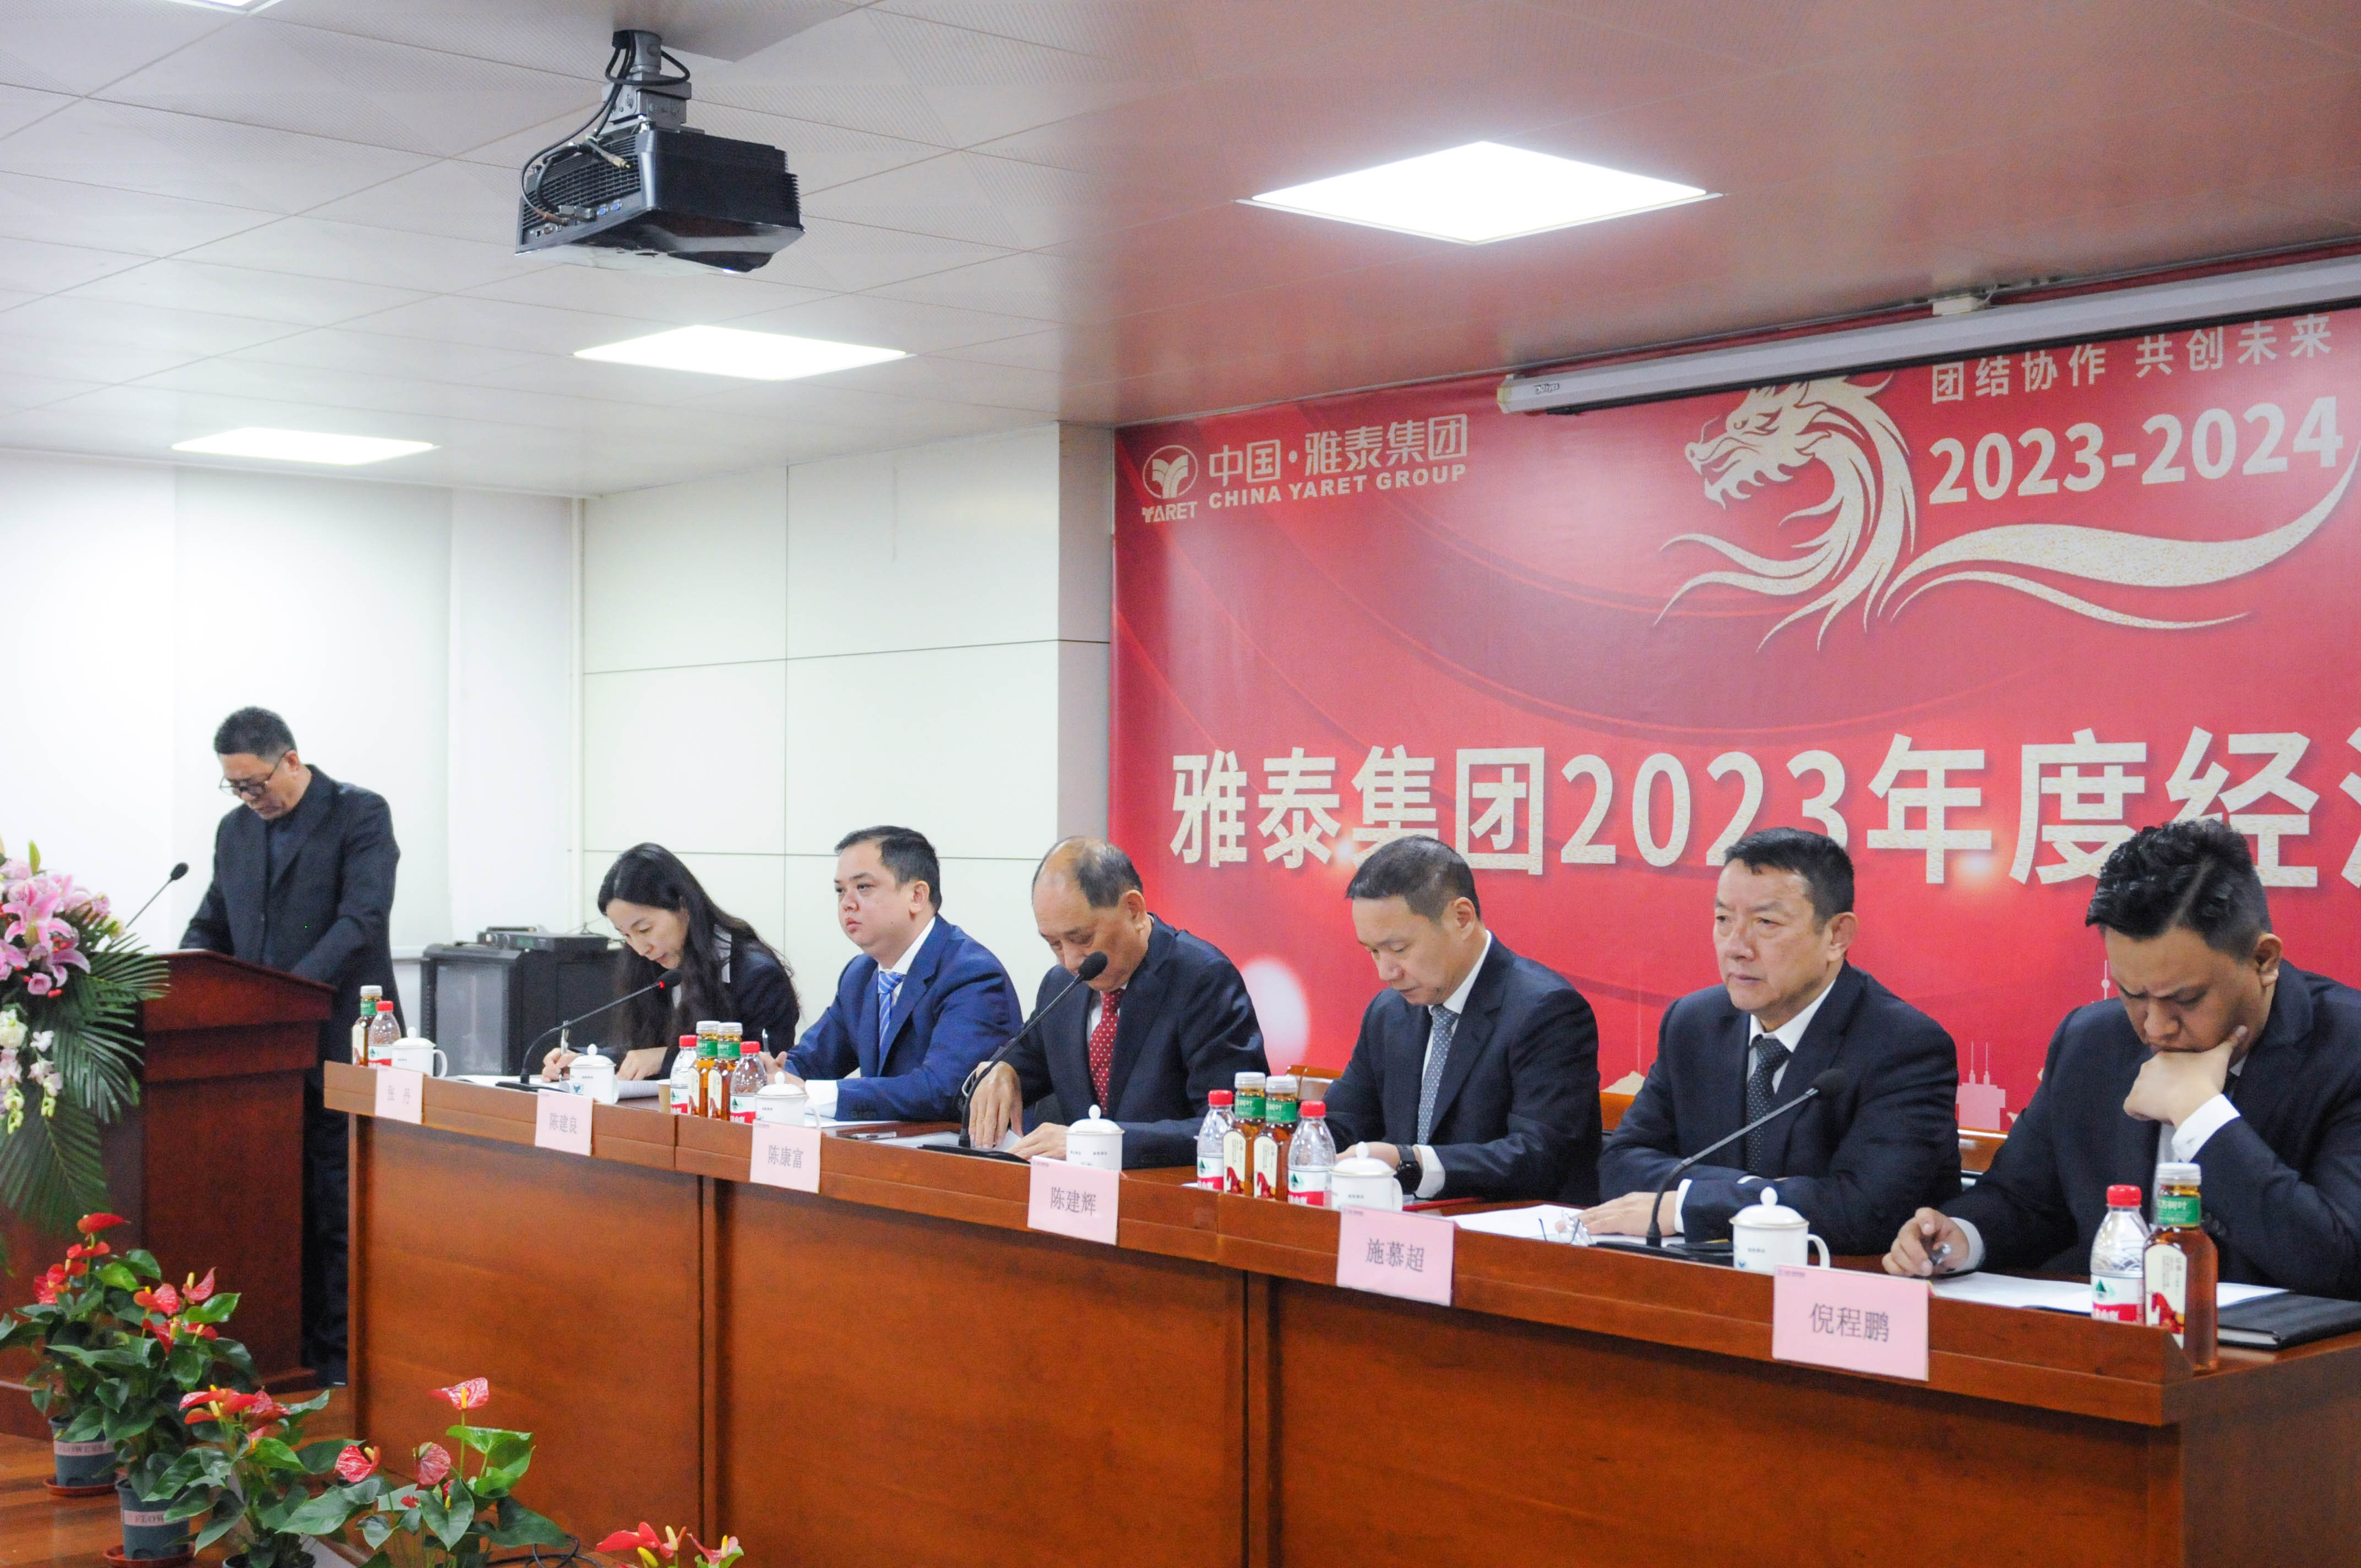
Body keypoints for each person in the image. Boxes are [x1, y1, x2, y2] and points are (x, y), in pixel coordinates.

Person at [1887, 819, 2361, 1299]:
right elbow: (2025, 1201)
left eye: (2185, 999)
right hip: (2114, 1333)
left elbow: (2343, 1262)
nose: (2155, 1027)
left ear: (2263, 961)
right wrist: (1962, 1238)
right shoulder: (2091, 1042)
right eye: (2133, 994)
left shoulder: (2348, 1049)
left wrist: (2201, 1115)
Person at [1587, 827, 1959, 1256]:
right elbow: (1622, 1163)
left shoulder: (1903, 1046)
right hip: (1702, 1274)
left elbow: (1865, 1210)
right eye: (1724, 920)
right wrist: (1759, 1193)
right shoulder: (1693, 1024)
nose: (1736, 947)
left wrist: (1689, 1204)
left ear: (1836, 936)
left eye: (1766, 923)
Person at [181, 706, 396, 1386]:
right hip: (258, 1062)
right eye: (236, 787)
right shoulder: (235, 831)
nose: (250, 798)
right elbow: (214, 921)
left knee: (340, 1205)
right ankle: (285, 1350)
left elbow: (361, 921)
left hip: (340, 1039)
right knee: (274, 1204)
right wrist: (180, 975)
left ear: (292, 761)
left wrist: (285, 996)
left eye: (256, 783)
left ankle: (344, 1358)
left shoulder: (359, 814)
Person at [1323, 836, 1601, 1204]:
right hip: (1403, 1226)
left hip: (1506, 1229)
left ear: (1461, 918)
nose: (1386, 972)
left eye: (1399, 949)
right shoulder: (1388, 1012)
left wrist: (1414, 1164)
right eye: (1373, 951)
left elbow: (1539, 1156)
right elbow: (1345, 1120)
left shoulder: (1546, 1010)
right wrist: (1293, 1141)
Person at [966, 838, 1266, 1166]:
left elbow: (1233, 1127)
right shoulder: (1061, 986)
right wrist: (1002, 1071)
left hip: (1168, 1190)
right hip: (1074, 1194)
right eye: (1054, 944)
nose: (1070, 960)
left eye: (1082, 939)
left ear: (1133, 910)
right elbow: (1021, 1064)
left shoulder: (1202, 980)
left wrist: (1096, 1144)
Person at [779, 825, 1021, 1121]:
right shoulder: (860, 975)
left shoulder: (971, 974)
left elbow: (943, 1090)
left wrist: (812, 1094)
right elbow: (812, 1061)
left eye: (863, 887)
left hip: (952, 1147)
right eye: (840, 890)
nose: (847, 903)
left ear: (917, 896)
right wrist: (774, 1078)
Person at [539, 844, 799, 1082]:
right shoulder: (650, 964)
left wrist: (667, 1059)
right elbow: (641, 1052)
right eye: (626, 935)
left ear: (684, 906)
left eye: (644, 929)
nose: (641, 948)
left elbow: (763, 1071)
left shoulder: (757, 976)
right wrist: (587, 1062)